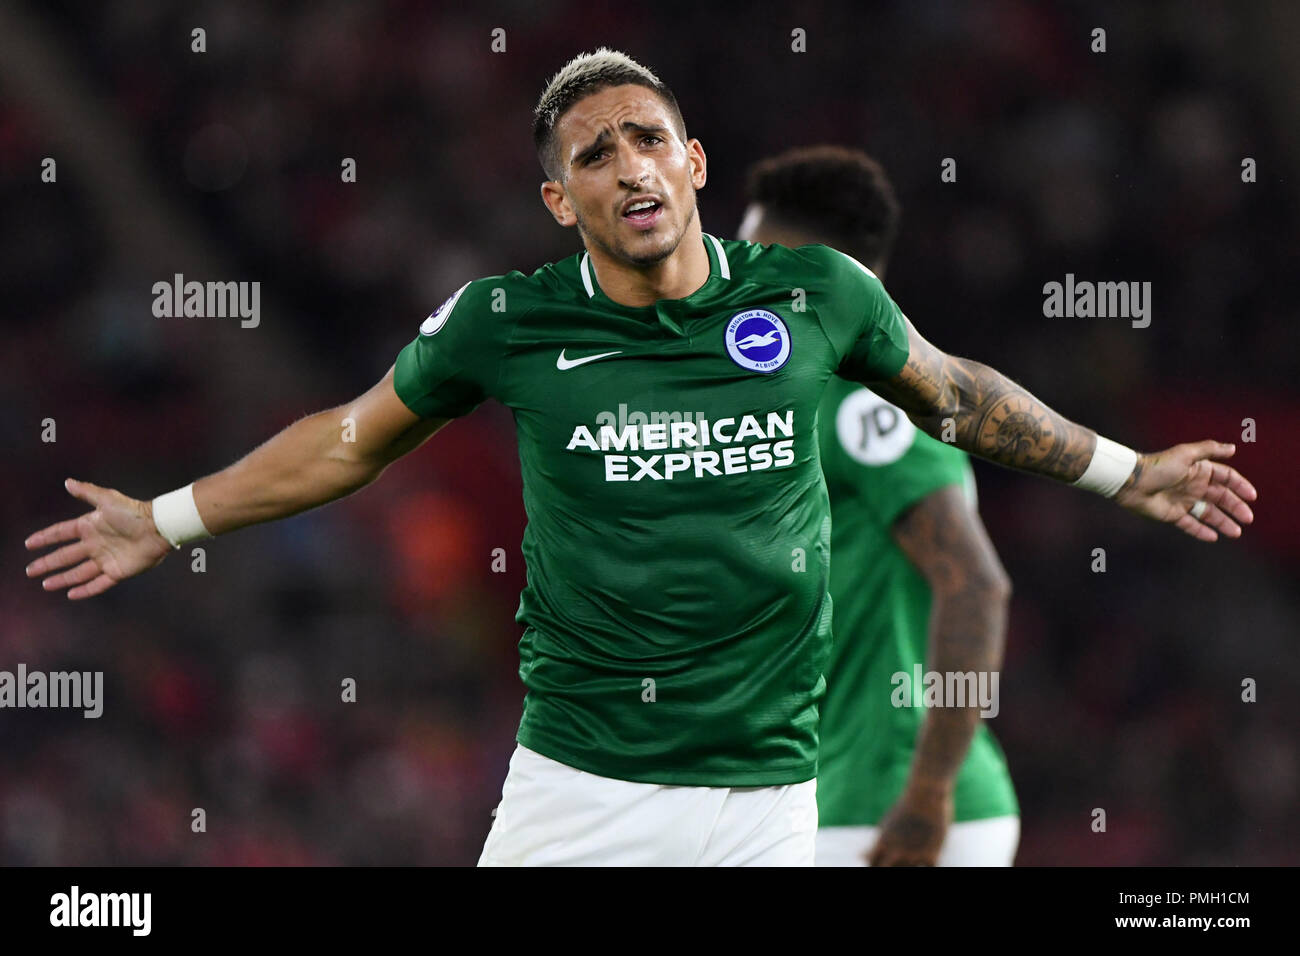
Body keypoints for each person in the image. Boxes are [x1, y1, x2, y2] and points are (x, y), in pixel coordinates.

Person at [25, 49, 1256, 867]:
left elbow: (956, 396)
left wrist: (1120, 469)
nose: (627, 166)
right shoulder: (504, 323)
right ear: (560, 199)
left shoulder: (818, 296)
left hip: (768, 796)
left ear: (694, 162)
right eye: (593, 155)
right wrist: (171, 517)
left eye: (646, 138)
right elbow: (346, 445)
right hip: (577, 779)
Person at [739, 145, 1017, 866]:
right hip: (828, 799)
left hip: (885, 811)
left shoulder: (870, 399)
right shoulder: (799, 402)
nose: (734, 280)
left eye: (756, 259)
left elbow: (978, 584)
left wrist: (928, 793)